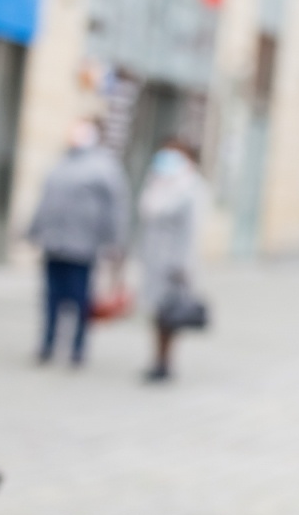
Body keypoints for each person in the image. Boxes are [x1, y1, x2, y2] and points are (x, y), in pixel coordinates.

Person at [27, 119, 130, 366]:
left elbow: (116, 207)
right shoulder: (61, 163)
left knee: (79, 299)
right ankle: (48, 343)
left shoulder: (104, 167)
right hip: (54, 243)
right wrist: (33, 230)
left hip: (82, 246)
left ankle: (77, 348)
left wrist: (116, 242)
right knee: (51, 297)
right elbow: (46, 199)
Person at [138, 141, 206, 382]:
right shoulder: (159, 182)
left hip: (175, 263)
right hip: (155, 259)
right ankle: (157, 358)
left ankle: (164, 362)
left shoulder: (190, 187)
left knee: (171, 313)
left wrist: (183, 265)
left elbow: (192, 231)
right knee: (157, 312)